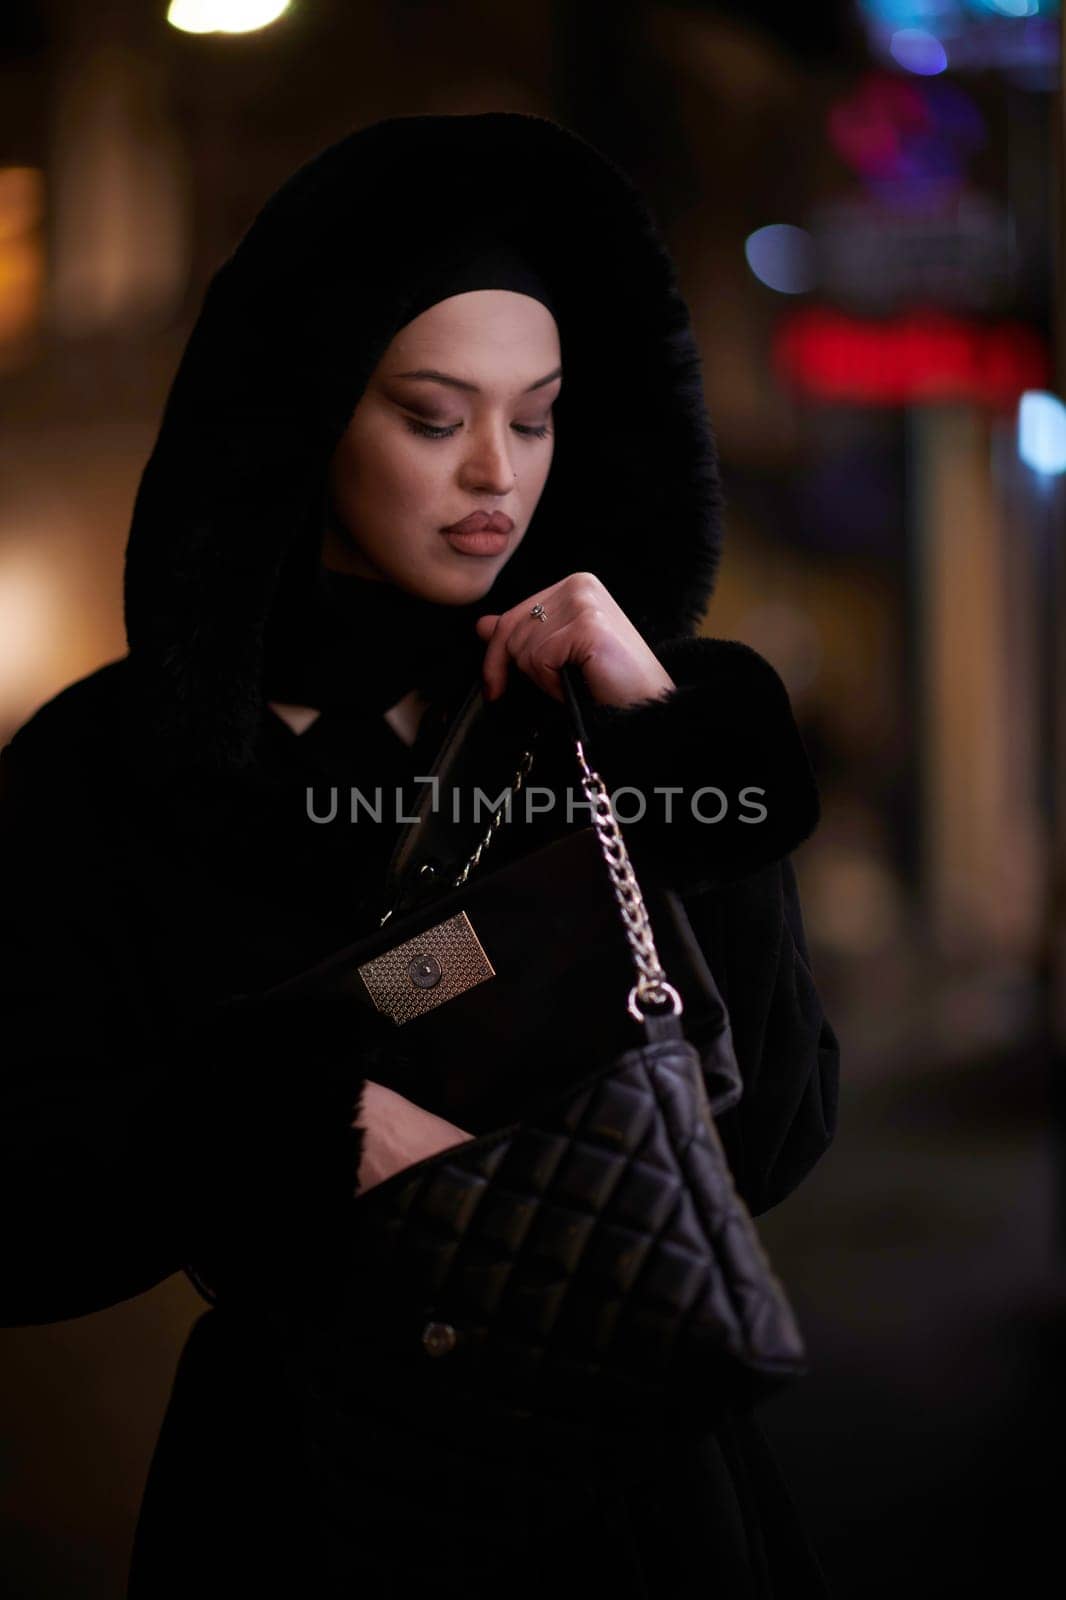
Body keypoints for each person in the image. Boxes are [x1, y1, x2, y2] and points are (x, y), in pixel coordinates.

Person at [0, 112, 840, 1597]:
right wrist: (306, 1128)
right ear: (319, 412)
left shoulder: (619, 710)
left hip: (633, 1509)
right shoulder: (119, 765)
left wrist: (662, 747)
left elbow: (764, 1134)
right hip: (301, 1508)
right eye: (434, 416)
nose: (494, 480)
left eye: (539, 414)